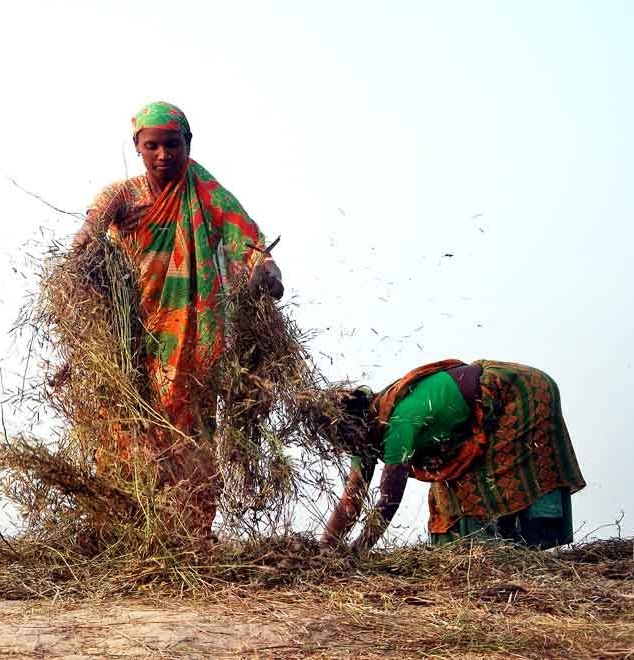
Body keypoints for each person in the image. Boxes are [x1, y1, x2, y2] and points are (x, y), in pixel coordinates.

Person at [70, 101, 284, 537]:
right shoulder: (121, 196)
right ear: (137, 147)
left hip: (192, 334)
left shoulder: (208, 194)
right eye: (153, 146)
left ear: (188, 144)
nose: (163, 155)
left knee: (190, 432)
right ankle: (128, 531)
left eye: (173, 144)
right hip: (127, 333)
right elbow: (86, 240)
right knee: (124, 427)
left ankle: (191, 535)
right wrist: (83, 260)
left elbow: (246, 238)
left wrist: (266, 269)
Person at [321, 359, 585, 552]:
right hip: (477, 418)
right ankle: (483, 556)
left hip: (516, 392)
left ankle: (509, 553)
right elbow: (351, 499)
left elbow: (388, 500)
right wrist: (326, 548)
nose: (343, 447)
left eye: (341, 439)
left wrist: (357, 551)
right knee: (448, 496)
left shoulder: (396, 422)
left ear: (355, 424)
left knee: (492, 482)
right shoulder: (363, 439)